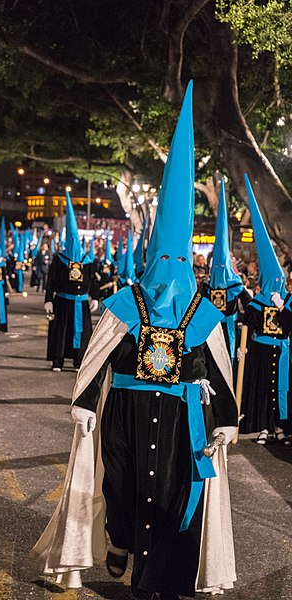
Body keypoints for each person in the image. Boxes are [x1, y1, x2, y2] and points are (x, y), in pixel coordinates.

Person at [33, 82, 237, 599]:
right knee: (120, 487)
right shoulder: (125, 302)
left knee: (176, 495)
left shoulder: (206, 312)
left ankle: (163, 579)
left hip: (183, 418)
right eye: (160, 261)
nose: (168, 272)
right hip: (123, 409)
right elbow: (97, 355)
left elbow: (218, 367)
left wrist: (228, 420)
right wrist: (83, 402)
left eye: (177, 260)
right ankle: (118, 541)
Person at [240, 175, 292, 446]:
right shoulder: (256, 303)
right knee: (262, 390)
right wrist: (243, 346)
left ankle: (280, 427)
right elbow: (247, 325)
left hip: (281, 351)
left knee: (281, 390)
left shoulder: (289, 301)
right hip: (261, 351)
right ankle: (262, 426)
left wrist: (283, 306)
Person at [44, 192, 99, 371]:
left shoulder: (88, 261)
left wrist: (95, 297)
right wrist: (48, 300)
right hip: (62, 302)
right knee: (60, 332)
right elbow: (50, 281)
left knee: (81, 333)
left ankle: (78, 360)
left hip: (80, 303)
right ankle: (57, 360)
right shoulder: (59, 260)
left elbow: (93, 281)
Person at [202, 180, 251, 367]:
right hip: (210, 331)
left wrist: (243, 330)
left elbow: (251, 308)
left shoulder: (236, 286)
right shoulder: (207, 286)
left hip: (230, 331)